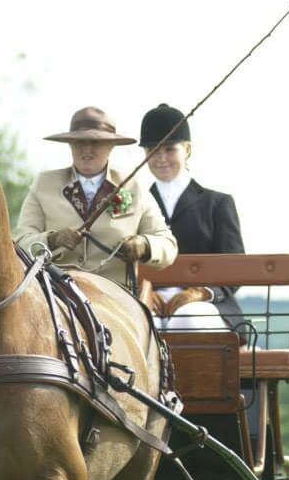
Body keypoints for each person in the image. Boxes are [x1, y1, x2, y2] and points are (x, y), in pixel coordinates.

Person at [14, 106, 177, 289]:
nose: (87, 150)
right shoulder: (44, 184)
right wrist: (52, 240)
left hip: (116, 296)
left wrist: (144, 245)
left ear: (111, 146)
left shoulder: (134, 187)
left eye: (96, 142)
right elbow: (20, 244)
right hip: (55, 293)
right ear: (69, 145)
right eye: (79, 143)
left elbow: (168, 245)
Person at [139, 103, 245, 332]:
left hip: (205, 303)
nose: (161, 158)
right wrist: (145, 289)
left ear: (187, 149)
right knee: (142, 322)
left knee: (186, 317)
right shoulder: (136, 205)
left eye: (169, 149)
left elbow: (235, 268)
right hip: (150, 299)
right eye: (152, 150)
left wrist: (201, 291)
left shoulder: (217, 203)